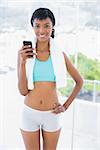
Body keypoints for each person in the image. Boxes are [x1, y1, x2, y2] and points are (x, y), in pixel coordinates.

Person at [17, 8, 83, 150]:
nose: (42, 30)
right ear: (32, 27)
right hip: (29, 113)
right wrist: (22, 62)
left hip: (52, 115)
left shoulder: (60, 55)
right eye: (37, 25)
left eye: (46, 25)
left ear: (52, 27)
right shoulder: (24, 55)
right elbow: (23, 91)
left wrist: (65, 106)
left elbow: (79, 81)